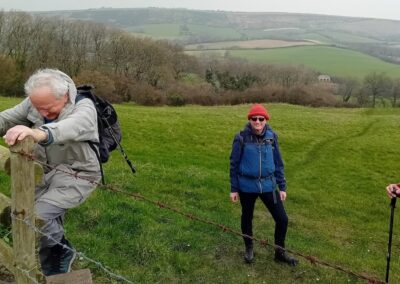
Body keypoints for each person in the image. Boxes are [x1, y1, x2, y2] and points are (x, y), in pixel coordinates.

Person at [0, 69, 101, 276]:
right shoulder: (35, 103)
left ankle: (61, 251)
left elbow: (70, 127)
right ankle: (51, 264)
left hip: (77, 174)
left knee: (35, 217)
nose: (43, 114)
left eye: (48, 108)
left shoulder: (84, 107)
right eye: (38, 108)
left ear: (64, 96)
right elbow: (7, 119)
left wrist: (38, 133)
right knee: (25, 216)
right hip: (43, 172)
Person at [229, 103, 298, 266]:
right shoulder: (241, 138)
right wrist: (234, 189)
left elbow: (278, 162)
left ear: (266, 120)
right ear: (250, 120)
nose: (258, 122)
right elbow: (234, 163)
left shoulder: (272, 137)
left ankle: (279, 253)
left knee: (282, 219)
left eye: (261, 119)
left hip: (269, 185)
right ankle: (249, 248)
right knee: (247, 218)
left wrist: (282, 186)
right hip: (246, 186)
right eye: (254, 119)